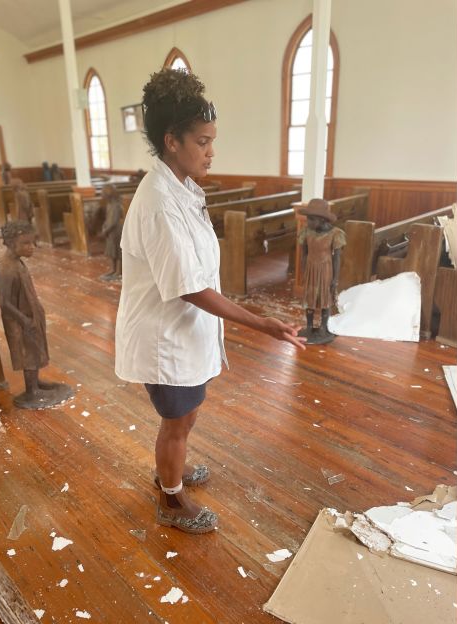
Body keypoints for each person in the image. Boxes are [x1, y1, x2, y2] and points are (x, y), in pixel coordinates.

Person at [114, 69, 306, 535]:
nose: (211, 151)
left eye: (211, 140)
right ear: (172, 141)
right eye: (202, 141)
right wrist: (261, 324)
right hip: (166, 335)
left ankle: (170, 472)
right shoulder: (159, 200)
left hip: (184, 330)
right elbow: (189, 287)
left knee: (186, 413)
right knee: (177, 421)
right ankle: (171, 497)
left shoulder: (179, 188)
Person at [0, 221, 73, 409]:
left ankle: (35, 383)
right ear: (12, 243)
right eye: (26, 243)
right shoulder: (5, 269)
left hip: (30, 316)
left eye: (33, 242)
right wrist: (25, 320)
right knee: (27, 352)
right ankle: (31, 391)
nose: (32, 247)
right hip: (21, 321)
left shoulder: (17, 263)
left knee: (35, 350)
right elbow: (4, 303)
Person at [297, 198, 346, 344]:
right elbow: (304, 253)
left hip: (326, 270)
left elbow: (336, 258)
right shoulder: (306, 232)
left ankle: (324, 327)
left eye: (311, 219)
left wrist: (335, 279)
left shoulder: (335, 234)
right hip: (311, 268)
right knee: (310, 298)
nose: (308, 222)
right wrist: (304, 270)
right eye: (308, 219)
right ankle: (310, 326)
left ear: (322, 219)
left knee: (325, 299)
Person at [98, 184, 123, 281]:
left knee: (118, 252)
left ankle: (119, 272)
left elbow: (114, 221)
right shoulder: (109, 205)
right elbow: (108, 218)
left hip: (116, 231)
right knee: (111, 252)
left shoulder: (116, 205)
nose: (102, 196)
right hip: (110, 232)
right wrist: (104, 226)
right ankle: (113, 269)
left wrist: (106, 230)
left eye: (103, 194)